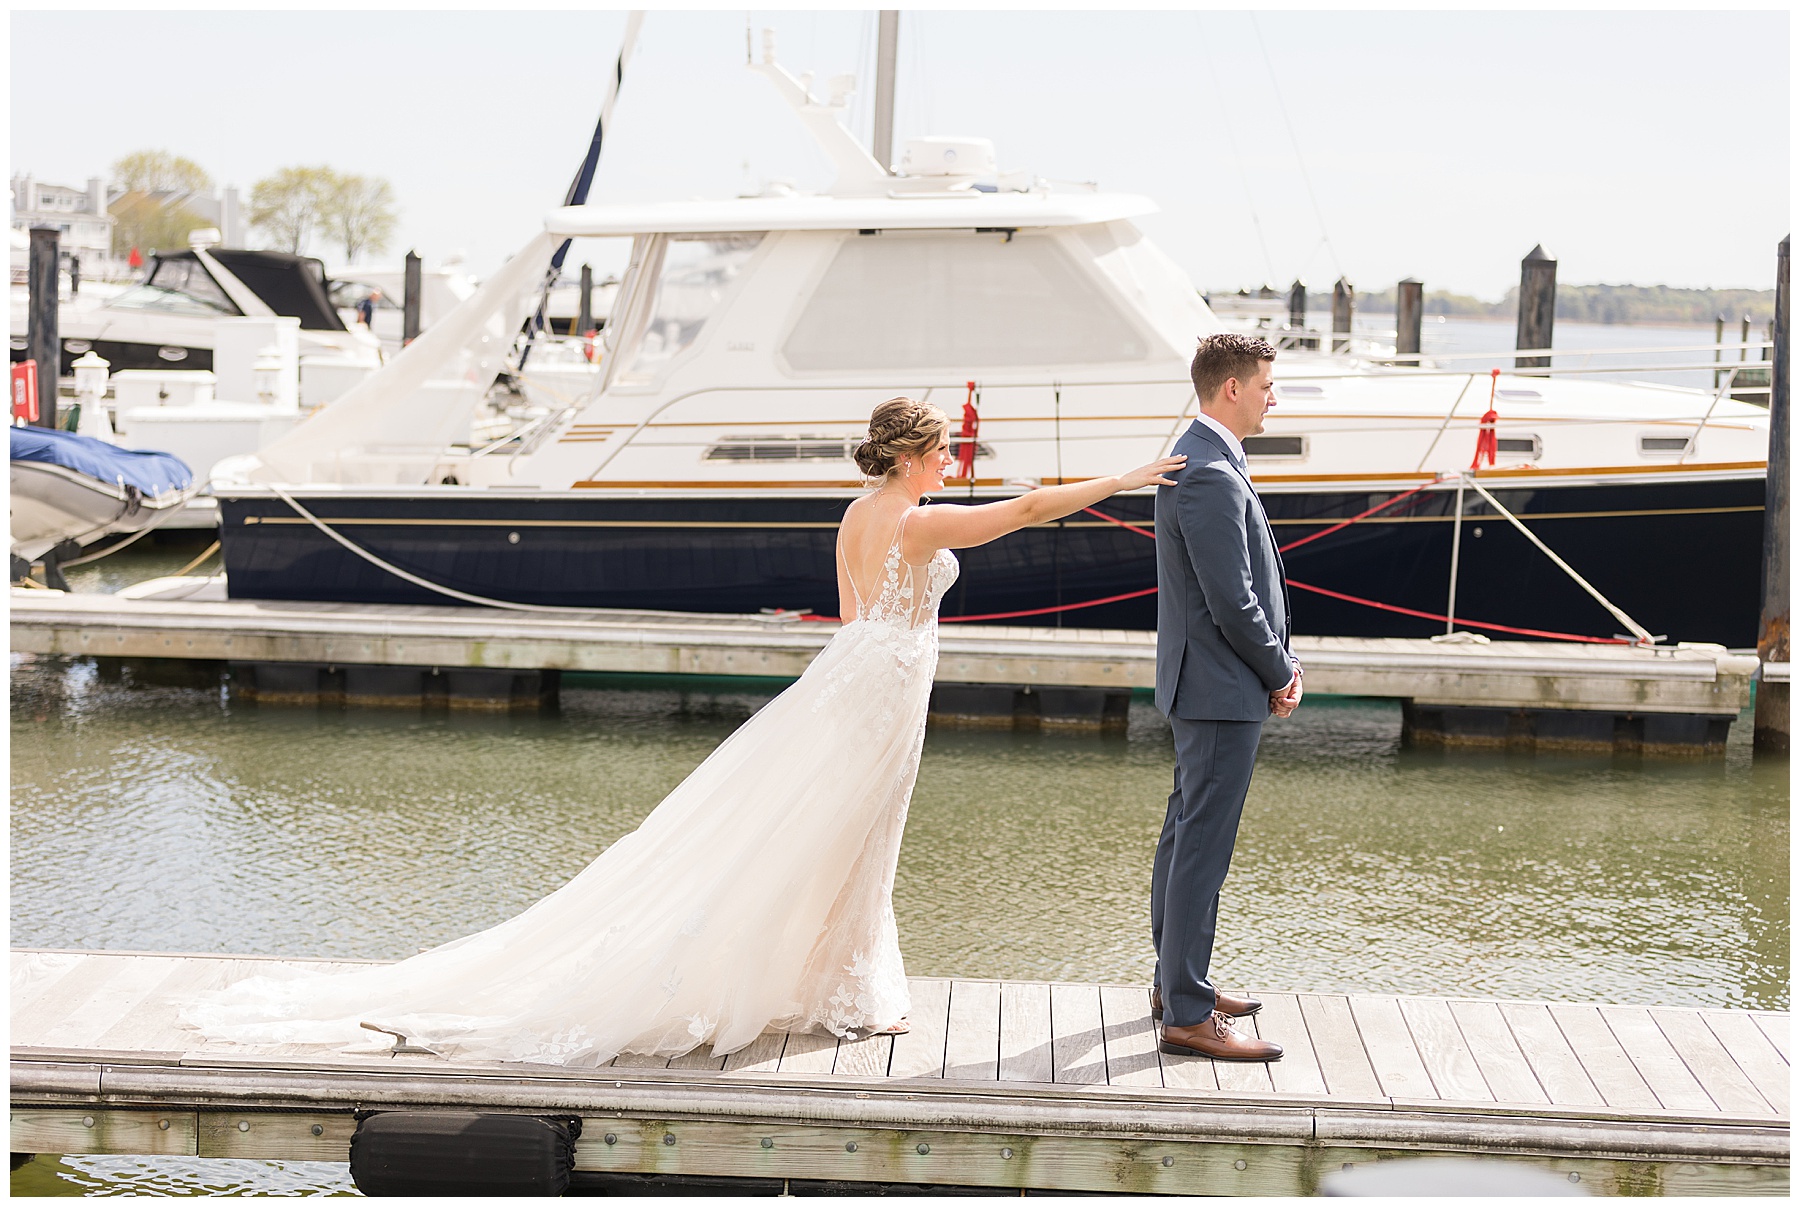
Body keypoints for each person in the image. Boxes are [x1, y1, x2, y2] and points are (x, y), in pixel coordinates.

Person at [181, 397, 1184, 1067]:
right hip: (880, 687)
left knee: (834, 835)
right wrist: (1133, 473)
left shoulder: (856, 511)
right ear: (917, 455)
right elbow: (1032, 509)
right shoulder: (915, 520)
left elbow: (860, 606)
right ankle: (846, 986)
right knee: (856, 836)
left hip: (858, 673)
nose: (951, 464)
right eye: (942, 453)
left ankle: (844, 979)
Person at [1148, 332, 1299, 1063]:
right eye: (1268, 385)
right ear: (1231, 388)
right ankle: (1186, 1011)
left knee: (1185, 838)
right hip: (1218, 689)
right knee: (1201, 848)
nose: (1276, 397)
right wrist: (1280, 670)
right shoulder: (1208, 472)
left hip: (1205, 685)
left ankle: (1177, 984)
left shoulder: (1203, 458)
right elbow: (1232, 600)